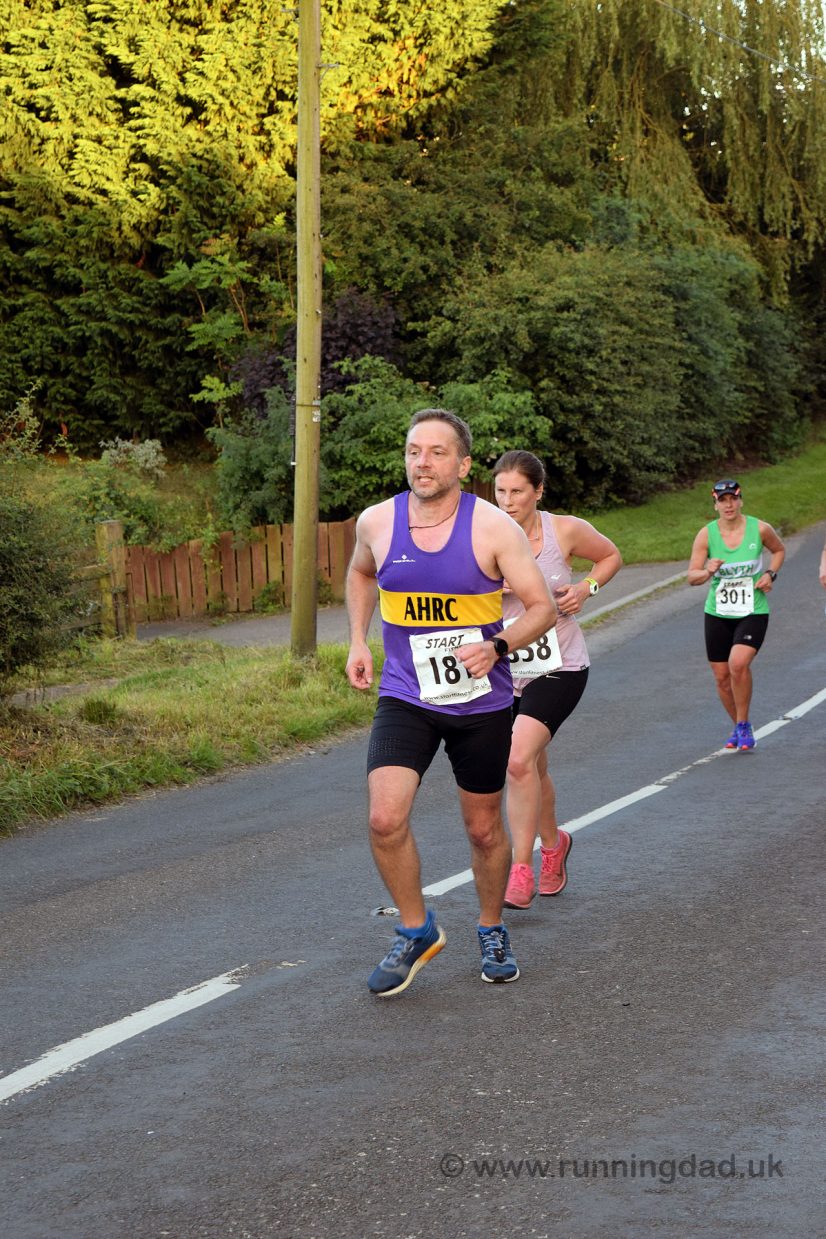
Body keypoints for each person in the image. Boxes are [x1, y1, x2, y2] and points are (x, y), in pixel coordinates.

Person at [346, 410, 556, 996]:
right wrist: (359, 640)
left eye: (438, 452)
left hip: (480, 704)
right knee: (384, 818)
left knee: (484, 830)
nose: (423, 462)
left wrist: (497, 645)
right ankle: (417, 931)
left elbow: (540, 607)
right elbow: (361, 575)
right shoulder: (378, 522)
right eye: (415, 451)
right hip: (407, 695)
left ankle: (491, 927)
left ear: (462, 465)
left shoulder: (493, 529)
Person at [492, 451, 622, 909]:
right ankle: (554, 846)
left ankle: (521, 868)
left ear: (538, 491)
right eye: (500, 491)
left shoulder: (562, 530)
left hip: (558, 665)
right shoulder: (482, 535)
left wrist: (587, 589)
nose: (507, 502)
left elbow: (610, 556)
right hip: (503, 669)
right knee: (533, 767)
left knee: (517, 759)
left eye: (517, 492)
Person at [688, 479, 785, 751]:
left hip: (753, 608)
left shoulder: (760, 529)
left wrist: (770, 573)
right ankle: (740, 725)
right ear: (715, 504)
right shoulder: (706, 535)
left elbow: (778, 550)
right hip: (718, 612)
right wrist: (707, 571)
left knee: (738, 663)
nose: (728, 505)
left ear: (741, 501)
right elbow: (692, 576)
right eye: (722, 500)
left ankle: (742, 724)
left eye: (733, 499)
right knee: (721, 677)